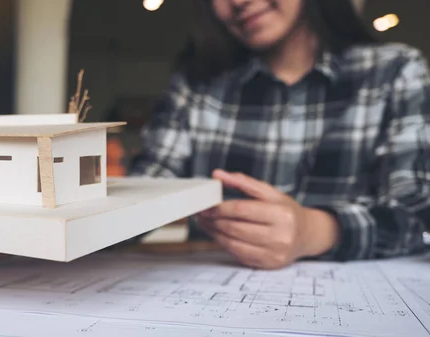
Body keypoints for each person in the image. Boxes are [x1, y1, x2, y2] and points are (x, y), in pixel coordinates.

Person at [128, 0, 430, 269]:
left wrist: (315, 231)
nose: (237, 2)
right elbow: (149, 186)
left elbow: (417, 216)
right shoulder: (194, 83)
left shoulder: (395, 72)